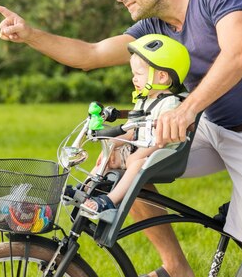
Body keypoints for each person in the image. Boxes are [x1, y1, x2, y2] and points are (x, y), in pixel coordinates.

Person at [0, 0, 242, 277]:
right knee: (125, 163)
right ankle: (176, 269)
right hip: (215, 127)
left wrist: (186, 110)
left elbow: (239, 55)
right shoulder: (154, 29)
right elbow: (91, 54)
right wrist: (30, 36)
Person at [80, 34, 190, 217]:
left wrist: (140, 154)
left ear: (162, 77)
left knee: (136, 163)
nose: (134, 79)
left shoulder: (170, 104)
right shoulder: (144, 101)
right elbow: (132, 131)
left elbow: (161, 140)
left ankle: (110, 201)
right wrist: (112, 143)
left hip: (159, 154)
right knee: (108, 156)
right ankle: (84, 190)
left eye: (138, 74)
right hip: (138, 149)